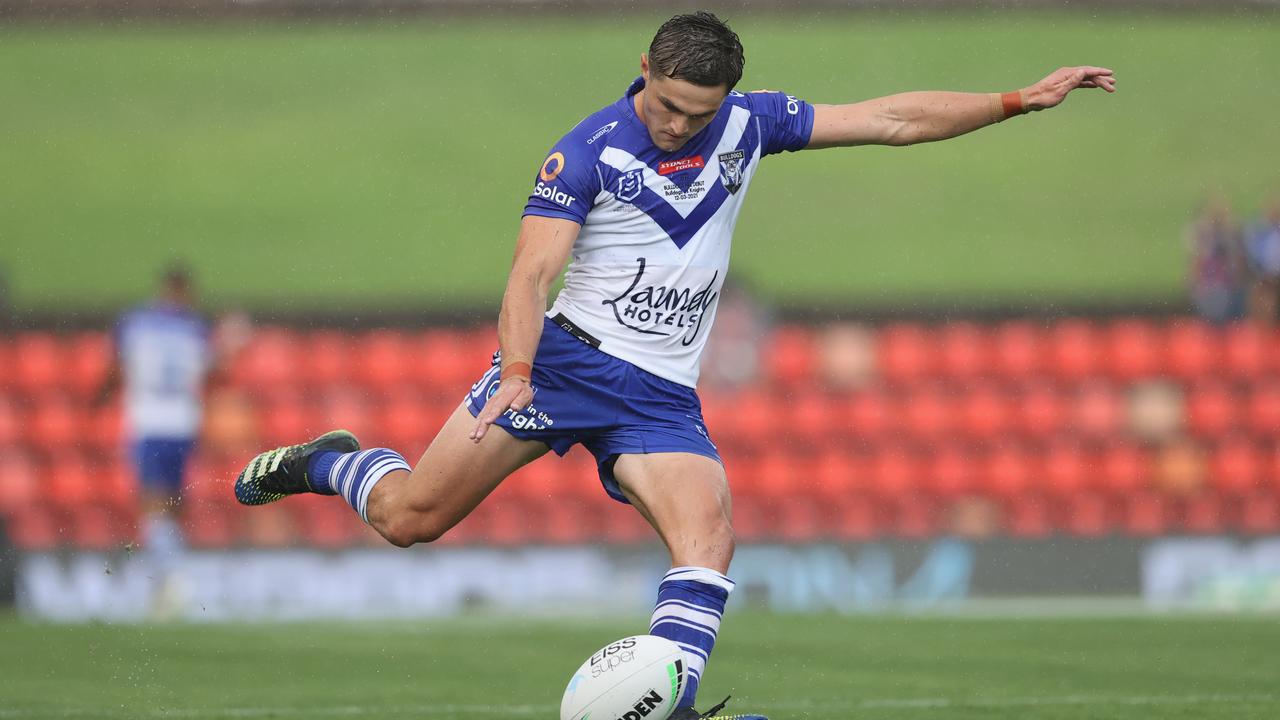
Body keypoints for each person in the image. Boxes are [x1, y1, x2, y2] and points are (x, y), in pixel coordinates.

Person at [233, 13, 1114, 718]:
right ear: (644, 68)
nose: (681, 123)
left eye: (700, 111)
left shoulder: (749, 123)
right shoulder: (586, 152)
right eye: (668, 105)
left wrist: (1013, 101)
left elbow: (889, 120)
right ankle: (329, 460)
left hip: (658, 397)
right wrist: (513, 372)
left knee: (710, 539)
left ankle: (677, 708)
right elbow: (531, 273)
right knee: (408, 518)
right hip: (563, 366)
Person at [99, 264, 243, 618]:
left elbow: (115, 369)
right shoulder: (195, 328)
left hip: (149, 423)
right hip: (182, 424)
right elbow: (214, 373)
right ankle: (165, 583)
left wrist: (99, 398)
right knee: (173, 506)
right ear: (185, 291)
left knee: (153, 505)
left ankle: (171, 582)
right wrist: (232, 343)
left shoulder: (135, 323)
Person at [1185, 195, 1245, 325]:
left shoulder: (1231, 237)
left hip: (1225, 288)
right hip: (1209, 288)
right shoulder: (1204, 237)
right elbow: (1196, 263)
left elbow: (1237, 265)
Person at [1244, 193, 1280, 326]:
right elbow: (1253, 257)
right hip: (1263, 277)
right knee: (1259, 293)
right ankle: (1259, 326)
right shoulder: (1259, 233)